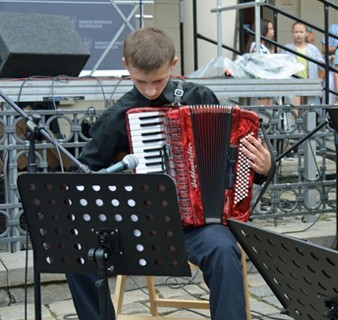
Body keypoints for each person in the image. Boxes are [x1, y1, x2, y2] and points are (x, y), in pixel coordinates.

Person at [68, 27, 273, 320]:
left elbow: (231, 161)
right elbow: (85, 175)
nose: (150, 90)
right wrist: (126, 179)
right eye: (141, 81)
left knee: (223, 249)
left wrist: (264, 168)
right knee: (76, 248)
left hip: (197, 228)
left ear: (173, 65)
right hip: (137, 225)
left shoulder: (200, 96)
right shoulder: (116, 117)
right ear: (126, 65)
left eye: (158, 80)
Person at [285, 22, 325, 104]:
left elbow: (322, 65)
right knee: (294, 108)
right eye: (296, 32)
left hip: (309, 82)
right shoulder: (287, 48)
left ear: (306, 34)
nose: (299, 34)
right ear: (292, 33)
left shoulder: (313, 49)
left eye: (301, 32)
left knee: (309, 110)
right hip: (293, 82)